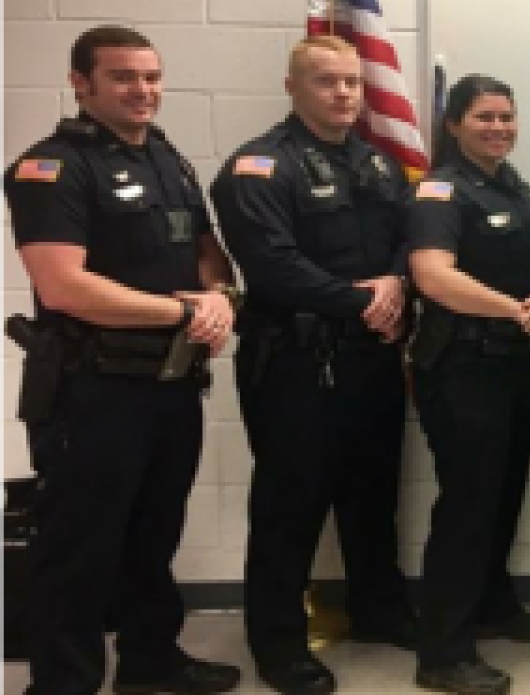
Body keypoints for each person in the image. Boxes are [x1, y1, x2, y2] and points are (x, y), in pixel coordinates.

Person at [3, 25, 241, 695]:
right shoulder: (49, 166)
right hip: (91, 390)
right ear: (82, 83)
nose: (144, 90)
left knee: (153, 535)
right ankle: (63, 684)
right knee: (78, 550)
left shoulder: (167, 158)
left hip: (169, 383)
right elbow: (63, 286)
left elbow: (205, 250)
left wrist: (220, 297)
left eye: (152, 76)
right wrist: (186, 311)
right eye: (124, 77)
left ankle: (152, 661)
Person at [210, 35, 414, 695]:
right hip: (295, 361)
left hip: (371, 359)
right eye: (327, 81)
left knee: (373, 494)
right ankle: (278, 643)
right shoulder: (259, 168)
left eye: (353, 81)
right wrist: (366, 298)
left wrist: (398, 283)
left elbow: (413, 239)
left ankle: (379, 610)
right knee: (289, 504)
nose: (344, 93)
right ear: (293, 87)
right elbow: (272, 265)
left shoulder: (380, 166)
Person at [405, 74, 530, 695]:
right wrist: (514, 309)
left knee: (503, 496)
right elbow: (432, 275)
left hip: (511, 363)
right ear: (455, 124)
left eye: (507, 116)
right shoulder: (441, 190)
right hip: (462, 367)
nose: (499, 128)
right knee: (467, 506)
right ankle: (442, 652)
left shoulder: (513, 185)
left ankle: (493, 606)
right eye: (485, 118)